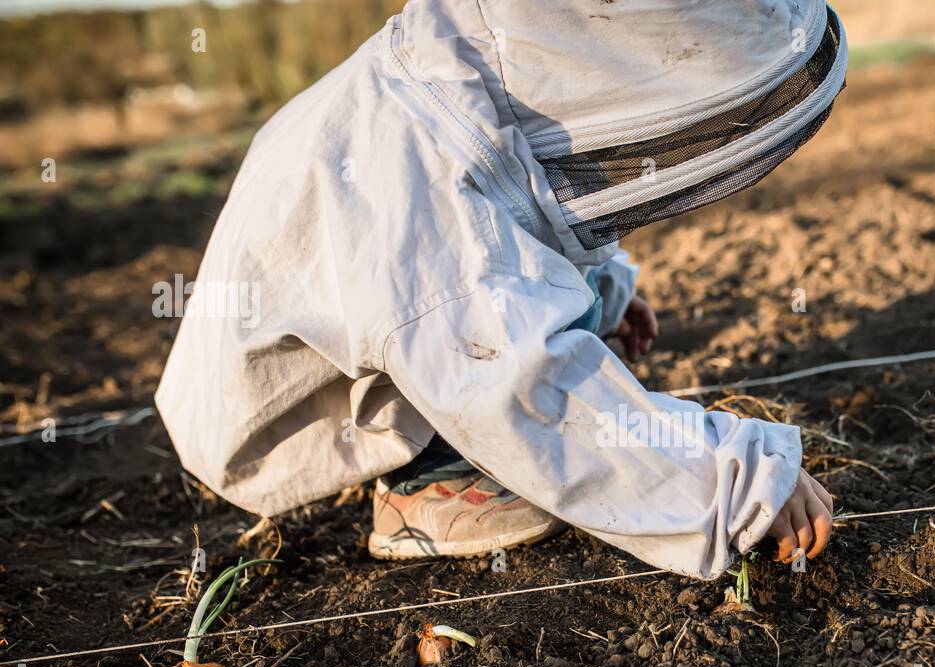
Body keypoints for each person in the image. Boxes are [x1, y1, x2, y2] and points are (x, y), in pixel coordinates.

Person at [156, 0, 847, 580]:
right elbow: (521, 382)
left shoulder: (453, 82)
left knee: (480, 325)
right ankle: (429, 478)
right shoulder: (421, 204)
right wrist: (739, 480)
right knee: (483, 373)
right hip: (278, 413)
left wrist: (601, 286)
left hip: (374, 301)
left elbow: (516, 192)